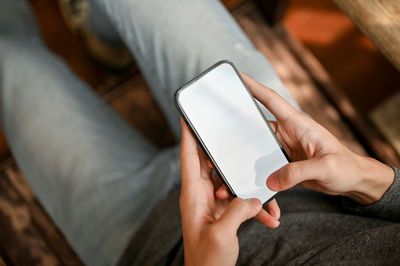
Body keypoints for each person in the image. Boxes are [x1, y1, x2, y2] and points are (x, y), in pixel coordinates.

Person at [0, 0, 398, 266]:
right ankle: (102, 32)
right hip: (276, 160)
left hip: (148, 241)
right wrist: (367, 178)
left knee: (10, 62)